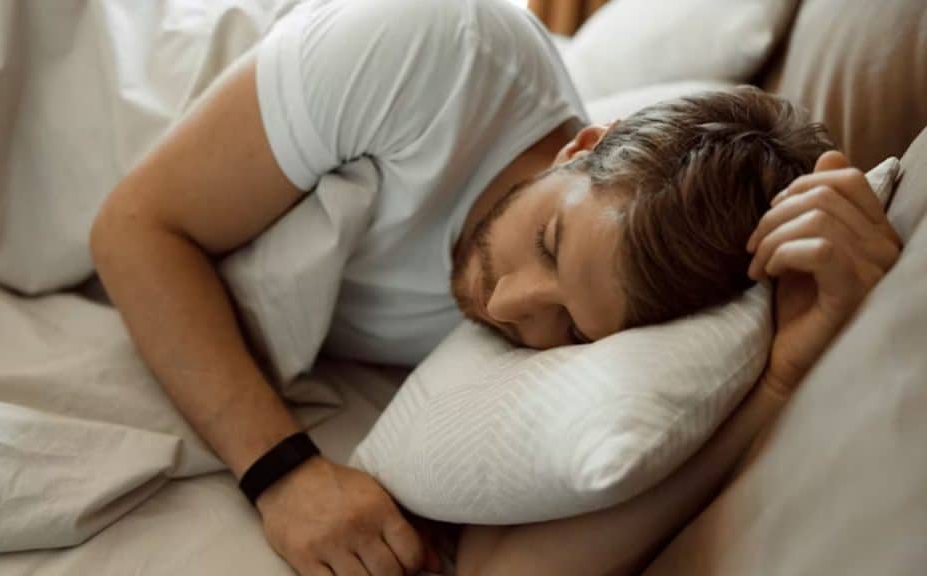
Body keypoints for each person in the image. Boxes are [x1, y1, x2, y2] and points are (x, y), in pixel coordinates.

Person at [89, 0, 903, 574]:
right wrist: (284, 473)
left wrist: (782, 379)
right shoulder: (431, 49)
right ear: (582, 145)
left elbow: (510, 571)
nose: (510, 305)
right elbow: (135, 225)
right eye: (548, 240)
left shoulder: (596, 311)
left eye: (574, 332)